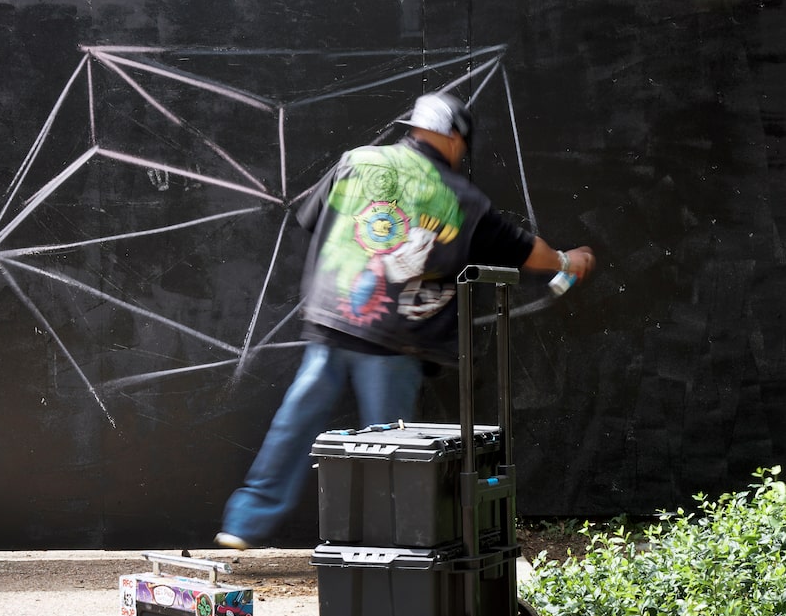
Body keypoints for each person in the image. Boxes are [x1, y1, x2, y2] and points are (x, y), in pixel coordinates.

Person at [215, 92, 595, 550]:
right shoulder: (460, 198)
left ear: (415, 128)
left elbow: (314, 220)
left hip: (332, 322)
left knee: (295, 422)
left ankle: (245, 523)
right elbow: (518, 246)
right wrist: (564, 260)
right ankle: (391, 545)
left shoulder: (357, 161)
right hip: (393, 341)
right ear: (455, 139)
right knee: (391, 449)